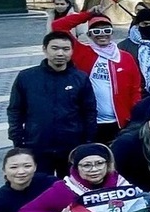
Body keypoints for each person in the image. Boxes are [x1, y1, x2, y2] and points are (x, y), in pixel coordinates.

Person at [7, 32, 97, 177]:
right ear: (44, 49)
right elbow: (15, 111)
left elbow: (89, 111)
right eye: (55, 48)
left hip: (71, 147)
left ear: (72, 51)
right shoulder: (27, 77)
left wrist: (88, 141)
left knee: (70, 190)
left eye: (66, 49)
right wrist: (18, 139)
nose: (60, 53)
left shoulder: (80, 78)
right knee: (39, 189)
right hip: (37, 145)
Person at [50, 10, 144, 143]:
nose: (102, 35)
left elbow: (136, 88)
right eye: (96, 31)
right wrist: (87, 15)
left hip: (121, 123)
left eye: (106, 30)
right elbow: (58, 26)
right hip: (90, 122)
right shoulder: (81, 52)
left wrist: (133, 114)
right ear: (89, 34)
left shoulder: (125, 57)